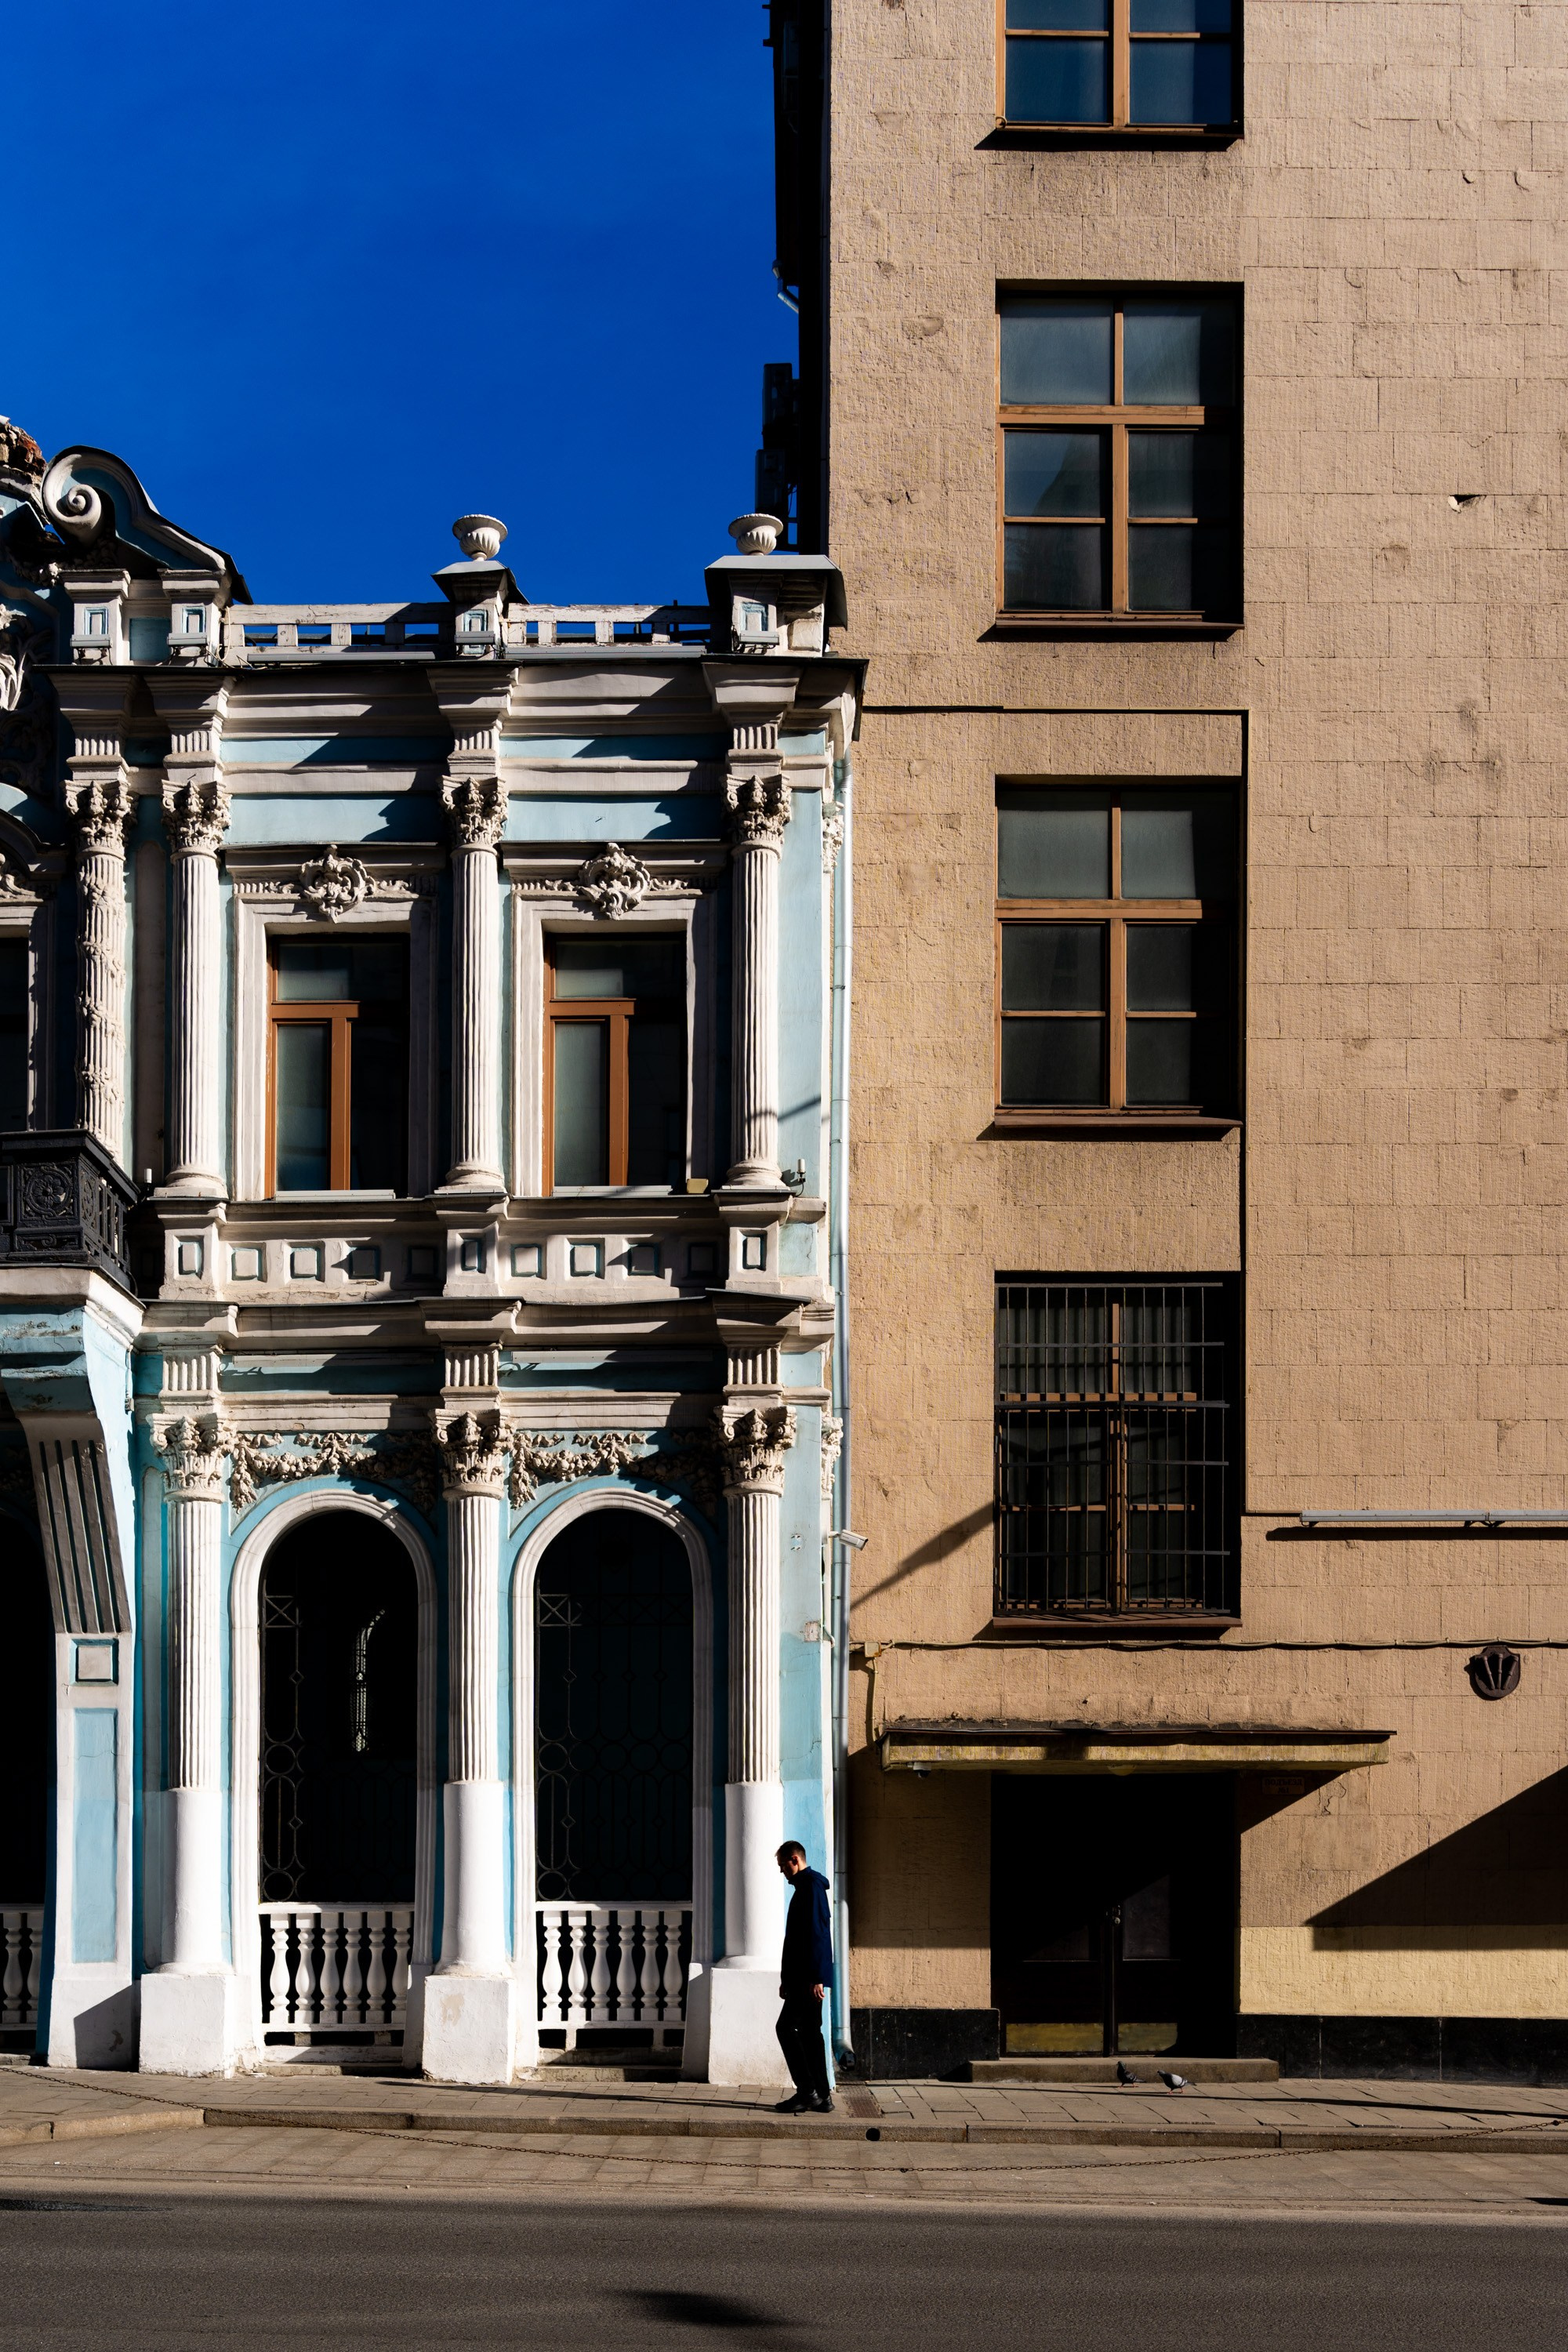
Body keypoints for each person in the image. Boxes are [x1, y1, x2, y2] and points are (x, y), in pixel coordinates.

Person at [773, 1840, 834, 2114]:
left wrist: (817, 1978)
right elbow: (797, 1939)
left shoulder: (810, 1888)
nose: (782, 1872)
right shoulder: (807, 1887)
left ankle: (807, 2091)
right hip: (802, 1977)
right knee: (810, 2033)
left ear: (795, 1859)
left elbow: (818, 1935)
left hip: (807, 1979)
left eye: (784, 1866)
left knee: (786, 2028)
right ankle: (823, 2096)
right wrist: (787, 1978)